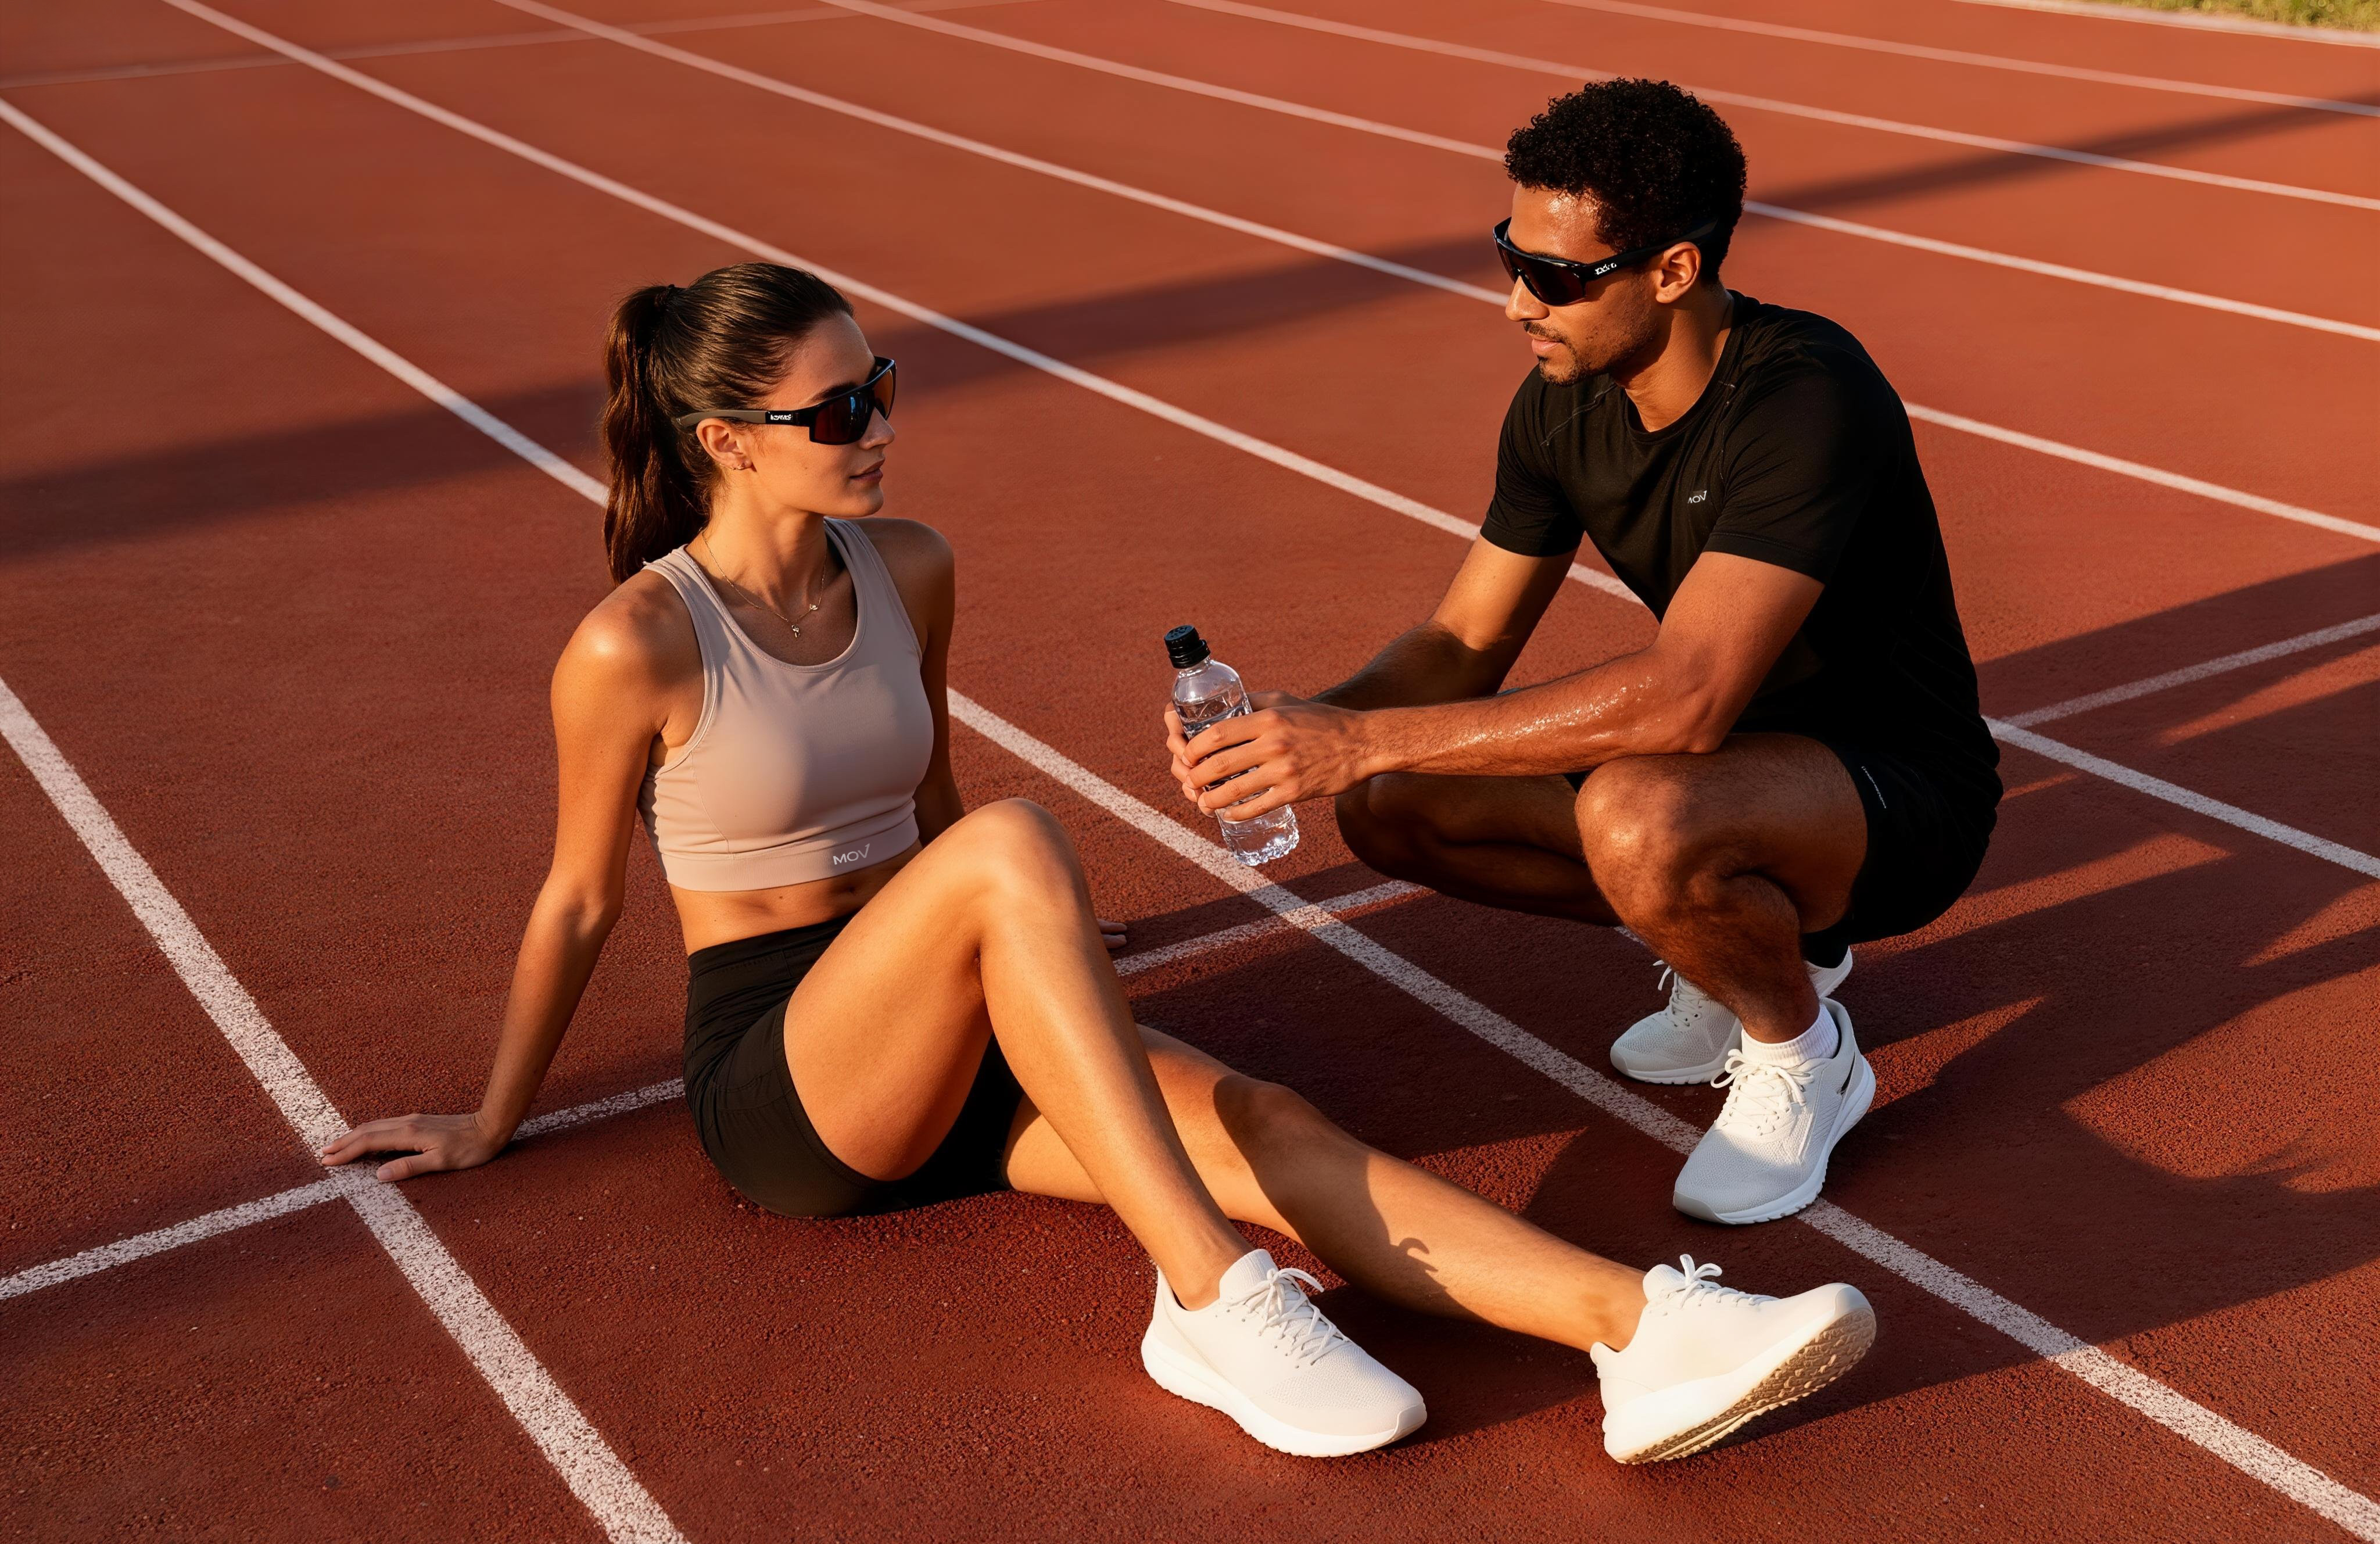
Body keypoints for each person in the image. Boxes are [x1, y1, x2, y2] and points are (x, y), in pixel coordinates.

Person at [321, 261, 1876, 1463]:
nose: (879, 427)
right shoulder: (635, 641)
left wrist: (1037, 951)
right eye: (839, 410)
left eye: (885, 387)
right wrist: (489, 1118)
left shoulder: (909, 566)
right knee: (1017, 848)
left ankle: (1643, 1337)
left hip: (961, 1004)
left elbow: (925, 796)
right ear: (726, 441)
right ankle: (1208, 1293)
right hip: (794, 1080)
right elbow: (584, 895)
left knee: (1263, 1116)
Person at [1166, 81, 2001, 1228]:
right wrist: (1301, 726)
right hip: (1728, 767)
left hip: (1892, 790)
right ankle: (1727, 951)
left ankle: (1803, 1052)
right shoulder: (1558, 406)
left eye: (1557, 276)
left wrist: (1353, 738)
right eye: (1508, 257)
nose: (1517, 303)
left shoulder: (1806, 393)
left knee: (1636, 814)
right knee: (1396, 804)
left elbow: (1688, 696)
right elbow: (1464, 638)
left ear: (1670, 271)